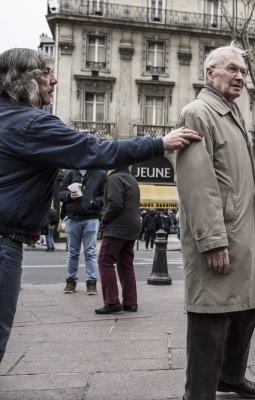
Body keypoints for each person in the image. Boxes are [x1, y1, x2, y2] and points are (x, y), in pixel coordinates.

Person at [0, 48, 200, 364]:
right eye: (46, 73)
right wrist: (158, 143)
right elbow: (96, 150)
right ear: (24, 80)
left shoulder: (8, 117)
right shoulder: (30, 123)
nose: (53, 80)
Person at [175, 43, 255, 400]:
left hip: (246, 230)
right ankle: (199, 392)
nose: (240, 76)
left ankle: (230, 376)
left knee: (246, 310)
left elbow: (250, 168)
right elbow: (196, 184)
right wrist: (213, 239)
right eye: (231, 69)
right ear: (209, 73)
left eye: (243, 71)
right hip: (224, 233)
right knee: (210, 318)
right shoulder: (198, 112)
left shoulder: (232, 113)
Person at [95, 167, 141, 314]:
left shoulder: (115, 178)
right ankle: (130, 302)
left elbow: (115, 203)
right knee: (126, 265)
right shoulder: (131, 178)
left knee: (105, 261)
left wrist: (104, 220)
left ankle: (112, 301)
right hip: (132, 227)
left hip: (117, 227)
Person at [58, 169, 107, 295]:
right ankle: (71, 281)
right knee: (72, 252)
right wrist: (69, 195)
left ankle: (91, 282)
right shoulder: (70, 173)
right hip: (72, 217)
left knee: (90, 251)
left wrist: (92, 202)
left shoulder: (101, 174)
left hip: (91, 218)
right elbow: (60, 193)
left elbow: (105, 196)